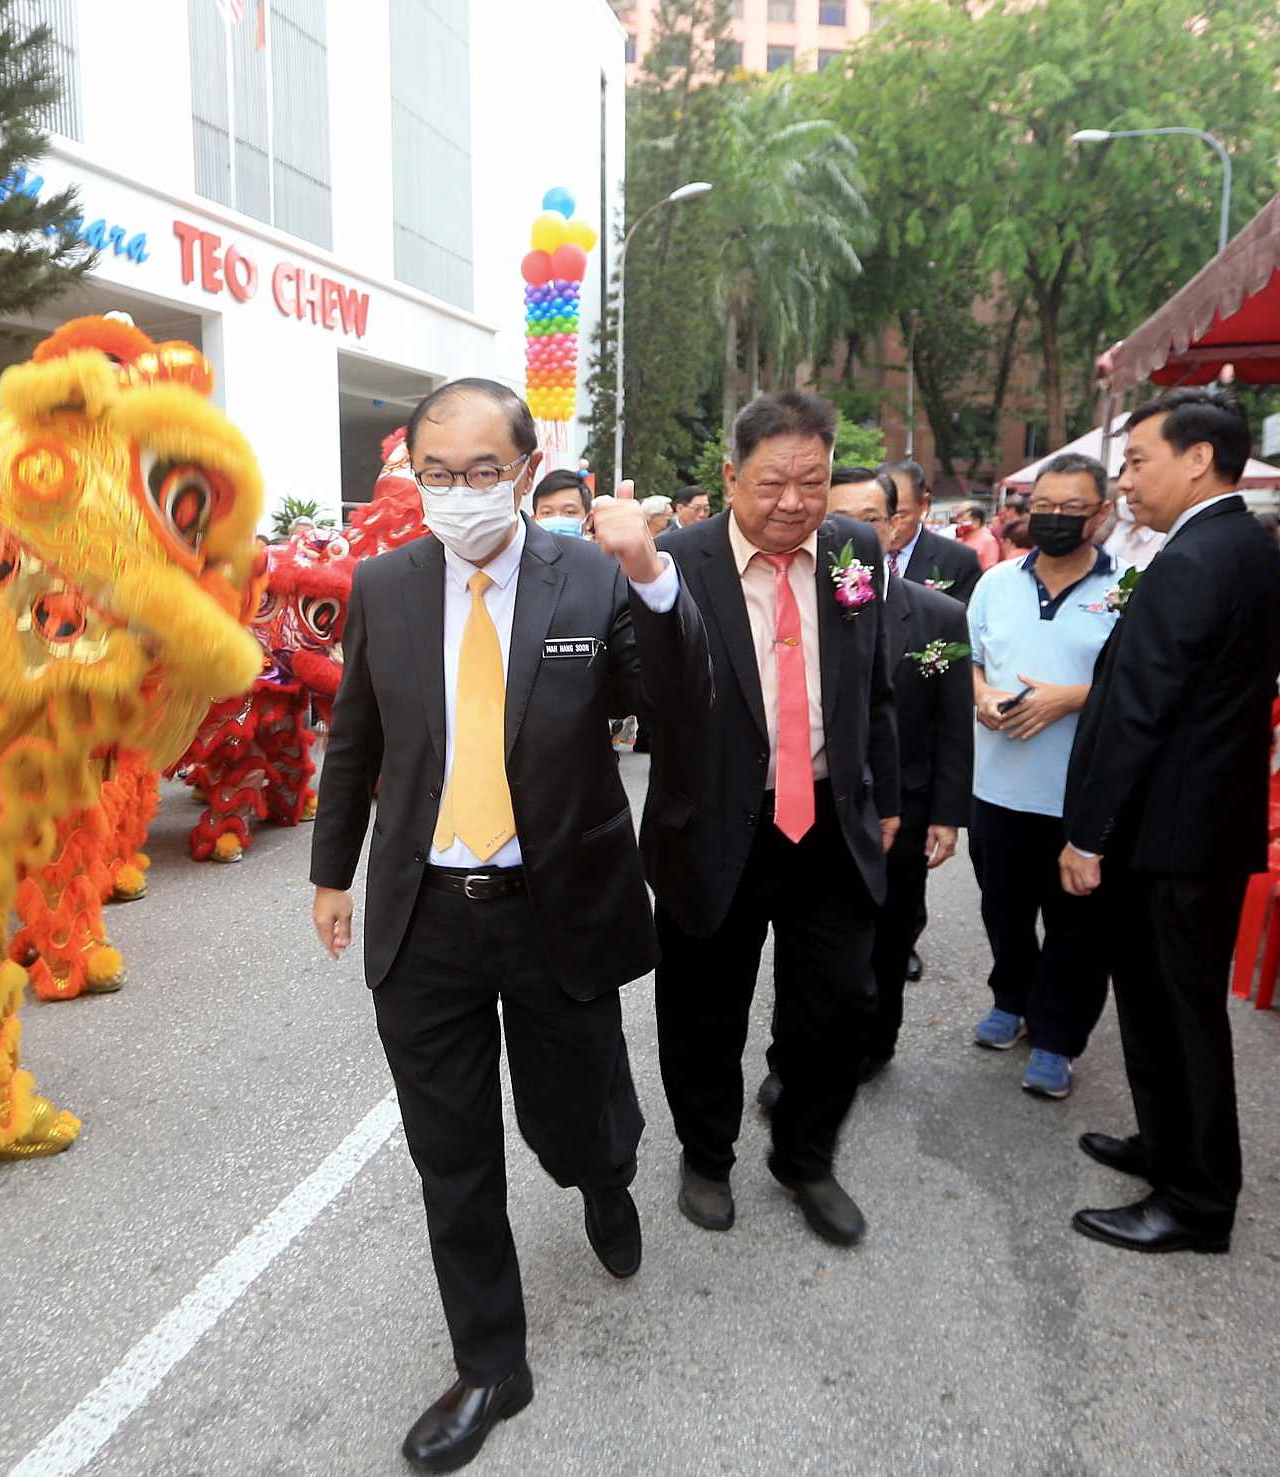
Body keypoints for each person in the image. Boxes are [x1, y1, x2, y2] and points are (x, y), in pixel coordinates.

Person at [310, 378, 709, 1472]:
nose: (457, 495)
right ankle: (492, 1360)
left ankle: (604, 1174)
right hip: (425, 915)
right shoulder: (384, 584)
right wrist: (330, 872)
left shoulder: (585, 573)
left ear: (526, 471)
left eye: (480, 473)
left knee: (568, 1113)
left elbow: (677, 705)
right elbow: (354, 740)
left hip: (555, 906)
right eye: (434, 475)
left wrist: (652, 576)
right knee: (451, 1151)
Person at [641, 392, 900, 1250]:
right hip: (716, 821)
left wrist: (887, 798)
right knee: (704, 1005)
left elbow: (876, 683)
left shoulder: (855, 551)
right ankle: (707, 1153)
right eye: (772, 483)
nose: (794, 502)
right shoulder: (674, 561)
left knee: (839, 1004)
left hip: (828, 819)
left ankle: (806, 1154)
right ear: (730, 476)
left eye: (814, 482)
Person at [1061, 386, 1280, 1255]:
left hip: (1169, 835)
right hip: (1192, 824)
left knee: (1179, 1010)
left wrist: (1087, 834)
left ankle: (1196, 1201)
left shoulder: (1199, 558)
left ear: (1198, 459)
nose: (1125, 480)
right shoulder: (1246, 548)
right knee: (1158, 1005)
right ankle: (1165, 1146)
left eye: (1137, 461)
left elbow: (1137, 710)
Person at [763, 467, 971, 1094]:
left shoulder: (937, 615)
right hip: (821, 808)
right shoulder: (792, 602)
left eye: (870, 521)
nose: (851, 534)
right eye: (837, 520)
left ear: (896, 523)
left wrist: (946, 813)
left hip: (899, 808)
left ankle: (874, 1045)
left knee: (887, 941)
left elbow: (951, 723)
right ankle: (790, 1065)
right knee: (809, 955)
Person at [963, 452, 1123, 1101]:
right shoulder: (996, 582)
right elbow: (971, 660)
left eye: (1070, 510)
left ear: (1102, 514)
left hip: (1079, 795)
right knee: (1003, 906)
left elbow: (1140, 687)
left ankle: (1057, 1035)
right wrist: (979, 696)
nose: (1053, 519)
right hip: (998, 784)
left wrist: (1073, 698)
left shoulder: (1127, 592)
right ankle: (1012, 998)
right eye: (1043, 508)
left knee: (1077, 923)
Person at [878, 459, 981, 602]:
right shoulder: (856, 554)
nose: (892, 528)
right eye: (879, 518)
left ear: (923, 504)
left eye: (902, 516)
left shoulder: (958, 560)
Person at [530, 469, 591, 537]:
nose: (557, 519)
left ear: (589, 520)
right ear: (533, 521)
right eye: (547, 513)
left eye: (569, 512)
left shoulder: (599, 548)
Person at [954, 502, 1002, 570]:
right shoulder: (960, 538)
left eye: (965, 521)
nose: (961, 524)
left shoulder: (988, 540)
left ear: (977, 522)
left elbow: (990, 566)